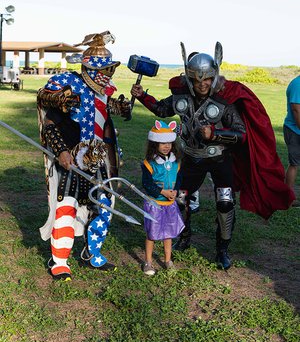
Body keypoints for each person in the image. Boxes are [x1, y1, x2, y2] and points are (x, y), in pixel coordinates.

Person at [131, 42, 295, 269]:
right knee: (180, 199)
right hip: (190, 157)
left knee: (225, 202)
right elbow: (162, 110)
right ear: (189, 77)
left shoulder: (223, 101)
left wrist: (215, 133)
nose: (202, 84)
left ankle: (222, 250)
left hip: (220, 159)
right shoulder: (182, 96)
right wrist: (142, 97)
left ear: (214, 76)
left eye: (207, 78)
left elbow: (241, 133)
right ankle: (184, 236)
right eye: (197, 79)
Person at [37, 31, 131, 280]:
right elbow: (50, 124)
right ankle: (59, 261)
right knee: (66, 207)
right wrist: (61, 151)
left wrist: (120, 108)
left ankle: (93, 253)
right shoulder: (69, 86)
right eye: (106, 70)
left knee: (103, 206)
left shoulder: (103, 91)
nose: (109, 75)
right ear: (90, 68)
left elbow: (105, 114)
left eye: (110, 70)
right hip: (70, 158)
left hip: (98, 157)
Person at [141, 120, 185, 275]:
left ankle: (167, 260)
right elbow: (146, 183)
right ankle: (148, 262)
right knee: (151, 234)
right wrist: (162, 192)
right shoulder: (150, 163)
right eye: (162, 143)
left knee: (168, 233)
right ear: (155, 144)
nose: (166, 146)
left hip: (170, 204)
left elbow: (179, 178)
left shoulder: (175, 162)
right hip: (155, 204)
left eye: (169, 143)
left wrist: (175, 190)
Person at [283, 74, 300, 206]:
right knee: (294, 164)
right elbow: (296, 110)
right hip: (294, 130)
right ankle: (288, 198)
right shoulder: (297, 84)